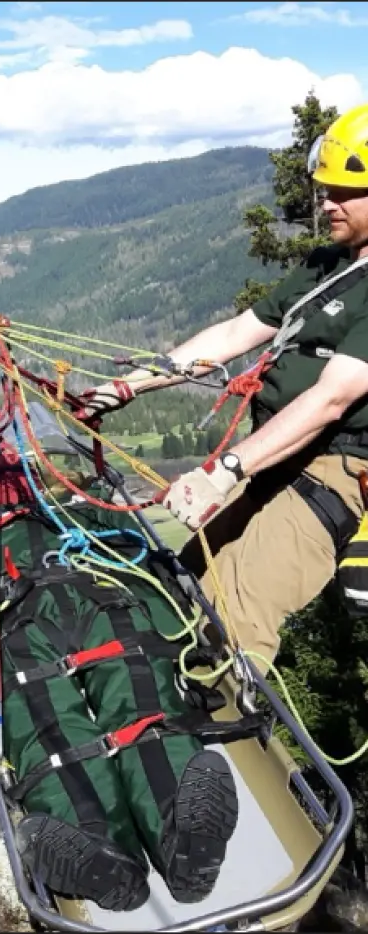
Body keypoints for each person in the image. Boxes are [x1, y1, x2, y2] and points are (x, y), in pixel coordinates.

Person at [76, 104, 368, 675]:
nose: (326, 201)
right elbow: (238, 333)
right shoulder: (326, 267)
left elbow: (332, 398)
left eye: (345, 191)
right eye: (325, 188)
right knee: (187, 577)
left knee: (240, 611)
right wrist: (131, 386)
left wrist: (224, 470)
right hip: (276, 456)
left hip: (337, 470)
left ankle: (226, 751)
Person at [0, 459, 243, 913]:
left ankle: (95, 838)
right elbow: (133, 545)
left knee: (43, 718)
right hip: (105, 595)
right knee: (142, 700)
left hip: (17, 615)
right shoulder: (85, 500)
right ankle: (177, 828)